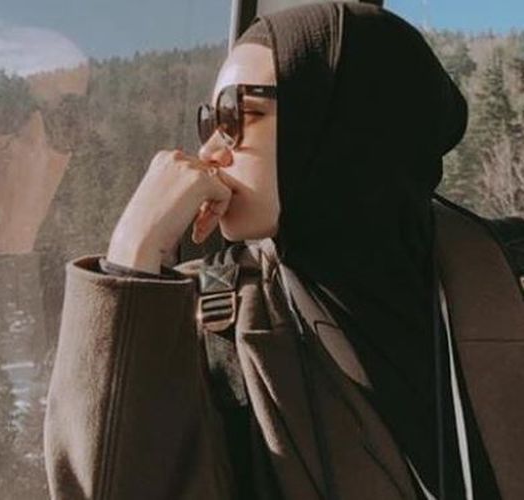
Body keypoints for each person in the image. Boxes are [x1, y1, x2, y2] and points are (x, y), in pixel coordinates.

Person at [44, 3, 507, 499]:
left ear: (347, 120)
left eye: (234, 115)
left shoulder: (502, 281)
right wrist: (131, 260)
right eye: (208, 121)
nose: (209, 152)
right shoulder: (204, 320)